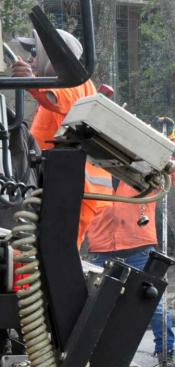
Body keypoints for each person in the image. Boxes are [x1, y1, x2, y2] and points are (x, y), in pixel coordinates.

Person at [87, 117, 175, 360]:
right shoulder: (89, 162)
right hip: (101, 246)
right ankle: (97, 356)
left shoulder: (141, 162)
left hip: (137, 244)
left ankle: (165, 349)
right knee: (98, 307)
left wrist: (171, 141)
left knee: (150, 302)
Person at [11, 29, 112, 246]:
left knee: (58, 256)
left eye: (35, 52)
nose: (30, 58)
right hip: (63, 185)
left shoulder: (75, 82)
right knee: (49, 254)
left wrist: (30, 81)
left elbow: (54, 97)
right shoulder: (60, 88)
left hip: (75, 187)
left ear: (54, 56)